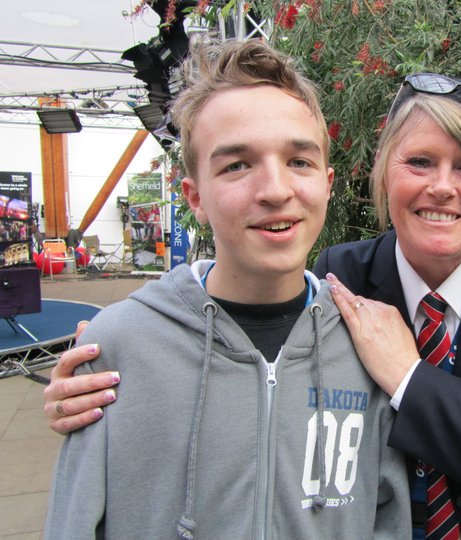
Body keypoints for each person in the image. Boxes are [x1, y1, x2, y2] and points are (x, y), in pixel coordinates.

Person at [45, 73, 461, 539]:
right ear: (382, 173)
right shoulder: (343, 277)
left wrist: (410, 379)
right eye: (419, 162)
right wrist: (124, 370)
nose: (443, 186)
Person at [43, 39, 410, 540]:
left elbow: (388, 520)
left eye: (299, 161)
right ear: (195, 197)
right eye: (237, 165)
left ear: (327, 184)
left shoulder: (368, 347)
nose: (275, 190)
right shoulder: (120, 347)